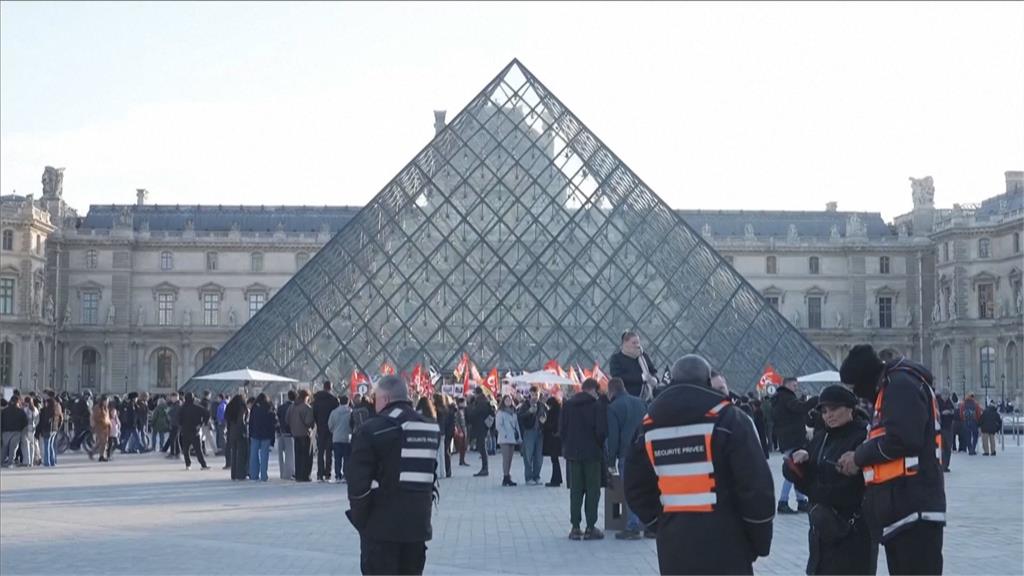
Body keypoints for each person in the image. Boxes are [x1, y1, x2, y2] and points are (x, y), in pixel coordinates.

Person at [625, 355, 775, 575]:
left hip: (674, 544)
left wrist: (659, 523)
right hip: (728, 539)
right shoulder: (730, 419)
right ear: (707, 381)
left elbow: (634, 486)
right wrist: (759, 541)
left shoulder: (648, 426)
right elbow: (756, 488)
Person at [838, 345, 945, 576]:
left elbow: (902, 440)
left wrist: (858, 456)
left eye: (855, 387)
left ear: (865, 378)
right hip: (903, 512)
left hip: (914, 512)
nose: (857, 395)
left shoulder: (900, 386)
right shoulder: (893, 386)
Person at [346, 375, 439, 575]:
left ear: (385, 399)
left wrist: (362, 520)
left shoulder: (371, 430)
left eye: (376, 398)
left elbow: (357, 484)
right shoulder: (429, 427)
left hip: (381, 529)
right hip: (417, 527)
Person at [782, 385, 874, 575]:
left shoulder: (864, 438)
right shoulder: (822, 437)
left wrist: (812, 490)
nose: (828, 415)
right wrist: (795, 465)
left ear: (850, 408)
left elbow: (855, 489)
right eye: (824, 411)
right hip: (822, 533)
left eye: (834, 409)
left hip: (853, 532)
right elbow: (804, 476)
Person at [560, 378, 608, 541]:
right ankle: (590, 527)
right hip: (592, 454)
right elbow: (601, 431)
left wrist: (568, 446)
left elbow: (562, 430)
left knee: (576, 491)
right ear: (594, 390)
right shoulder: (597, 406)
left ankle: (575, 527)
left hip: (573, 454)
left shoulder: (567, 405)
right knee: (592, 491)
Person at [605, 377, 646, 539]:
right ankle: (649, 525)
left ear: (611, 390)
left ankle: (633, 526)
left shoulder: (613, 407)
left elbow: (613, 437)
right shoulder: (641, 403)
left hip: (626, 455)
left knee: (630, 492)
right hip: (645, 452)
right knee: (646, 489)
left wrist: (611, 461)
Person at [773, 376, 818, 514]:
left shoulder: (779, 398)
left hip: (788, 438)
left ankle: (801, 501)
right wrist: (814, 400)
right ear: (786, 385)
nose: (796, 388)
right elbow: (800, 408)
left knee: (796, 468)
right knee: (792, 469)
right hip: (792, 438)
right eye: (794, 385)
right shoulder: (786, 397)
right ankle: (783, 501)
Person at [609, 331, 659, 398]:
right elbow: (617, 377)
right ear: (625, 343)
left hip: (649, 395)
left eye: (638, 342)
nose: (637, 345)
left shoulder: (643, 356)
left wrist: (654, 379)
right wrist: (641, 378)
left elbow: (652, 370)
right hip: (628, 395)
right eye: (634, 343)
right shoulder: (616, 358)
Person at [516, 386, 547, 485]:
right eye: (533, 395)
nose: (534, 397)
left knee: (539, 457)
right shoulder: (525, 405)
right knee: (528, 456)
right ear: (530, 394)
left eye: (536, 395)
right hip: (529, 432)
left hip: (540, 433)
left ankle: (536, 476)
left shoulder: (542, 405)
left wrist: (544, 420)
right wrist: (529, 412)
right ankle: (529, 477)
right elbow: (519, 417)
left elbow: (547, 415)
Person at [312, 380, 340, 482]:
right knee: (329, 451)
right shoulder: (333, 400)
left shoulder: (317, 400)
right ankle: (327, 473)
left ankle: (319, 473)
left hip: (320, 427)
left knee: (320, 452)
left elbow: (314, 414)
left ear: (323, 387)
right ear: (330, 387)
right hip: (330, 428)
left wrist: (317, 423)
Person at [178, 392, 211, 471]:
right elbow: (207, 413)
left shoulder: (182, 408)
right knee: (198, 449)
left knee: (186, 449)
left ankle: (188, 465)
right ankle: (203, 465)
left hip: (185, 431)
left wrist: (181, 425)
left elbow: (178, 419)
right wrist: (203, 423)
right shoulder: (197, 407)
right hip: (195, 430)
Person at [466, 388, 495, 477]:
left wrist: (470, 404)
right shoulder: (485, 401)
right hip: (484, 427)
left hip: (480, 427)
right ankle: (484, 468)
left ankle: (484, 468)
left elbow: (473, 414)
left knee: (482, 447)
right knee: (482, 447)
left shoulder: (479, 402)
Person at [248, 393, 276, 481]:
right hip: (266, 435)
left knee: (253, 455)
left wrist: (250, 433)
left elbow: (251, 422)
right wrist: (272, 438)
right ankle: (264, 475)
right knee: (264, 456)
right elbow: (273, 424)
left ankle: (253, 474)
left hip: (255, 434)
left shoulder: (254, 408)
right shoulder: (270, 408)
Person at [288, 389, 315, 482]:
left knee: (298, 456)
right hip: (305, 434)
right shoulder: (307, 407)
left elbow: (286, 419)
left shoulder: (292, 406)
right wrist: (311, 425)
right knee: (307, 456)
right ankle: (305, 475)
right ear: (306, 397)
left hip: (295, 434)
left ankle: (298, 475)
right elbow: (308, 421)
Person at [496, 394, 522, 487]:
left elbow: (516, 425)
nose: (508, 402)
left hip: (513, 438)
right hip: (505, 438)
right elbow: (498, 426)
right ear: (503, 401)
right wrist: (505, 434)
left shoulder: (513, 412)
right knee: (506, 458)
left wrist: (519, 436)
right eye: (506, 400)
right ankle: (505, 477)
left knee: (510, 459)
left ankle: (508, 475)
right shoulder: (500, 412)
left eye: (510, 400)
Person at [225, 394, 250, 480]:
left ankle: (234, 474)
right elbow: (242, 421)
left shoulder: (229, 408)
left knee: (234, 453)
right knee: (241, 454)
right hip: (240, 433)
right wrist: (244, 431)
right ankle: (240, 474)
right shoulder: (242, 408)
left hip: (232, 432)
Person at [328, 395, 353, 483]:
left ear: (339, 402)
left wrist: (334, 431)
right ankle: (345, 475)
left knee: (337, 458)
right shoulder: (350, 412)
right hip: (347, 438)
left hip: (336, 438)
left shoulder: (334, 412)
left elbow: (330, 426)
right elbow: (352, 425)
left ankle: (338, 475)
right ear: (348, 401)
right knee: (346, 458)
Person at [1, 397, 28, 466]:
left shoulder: (4, 411)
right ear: (17, 402)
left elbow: (1, 422)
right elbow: (25, 422)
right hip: (17, 432)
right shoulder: (21, 411)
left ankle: (1, 461)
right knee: (13, 448)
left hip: (5, 432)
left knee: (4, 447)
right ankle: (10, 462)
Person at [543, 395, 563, 487]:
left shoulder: (552, 412)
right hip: (557, 439)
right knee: (555, 460)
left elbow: (550, 425)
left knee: (554, 460)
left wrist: (544, 423)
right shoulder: (560, 411)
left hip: (553, 439)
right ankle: (556, 479)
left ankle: (555, 479)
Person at [37, 396, 63, 467]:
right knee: (51, 446)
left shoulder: (46, 411)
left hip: (47, 430)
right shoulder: (56, 410)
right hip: (54, 430)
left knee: (46, 447)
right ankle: (53, 461)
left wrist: (42, 429)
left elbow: (44, 421)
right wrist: (57, 427)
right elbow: (61, 419)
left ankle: (47, 462)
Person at [277, 390, 296, 480]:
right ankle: (289, 473)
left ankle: (282, 473)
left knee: (281, 455)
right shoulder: (294, 407)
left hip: (281, 432)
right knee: (290, 454)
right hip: (290, 433)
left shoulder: (281, 407)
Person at [936, 390, 955, 472]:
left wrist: (950, 412)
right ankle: (941, 465)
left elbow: (954, 412)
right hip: (941, 427)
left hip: (949, 427)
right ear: (942, 395)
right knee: (941, 447)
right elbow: (935, 413)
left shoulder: (950, 402)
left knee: (948, 447)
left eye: (947, 395)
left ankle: (946, 465)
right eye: (945, 395)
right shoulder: (938, 402)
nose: (946, 397)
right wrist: (942, 413)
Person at [90, 396, 112, 462]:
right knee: (102, 442)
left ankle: (97, 454)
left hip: (106, 427)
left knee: (103, 442)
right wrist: (103, 420)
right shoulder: (97, 407)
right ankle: (101, 455)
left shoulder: (106, 408)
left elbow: (107, 417)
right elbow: (96, 417)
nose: (107, 402)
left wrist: (109, 424)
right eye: (106, 401)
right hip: (99, 426)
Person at [20, 397, 39, 467]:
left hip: (26, 428)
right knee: (32, 445)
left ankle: (26, 461)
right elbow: (38, 419)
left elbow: (22, 419)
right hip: (33, 428)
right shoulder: (35, 409)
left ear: (26, 402)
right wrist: (34, 425)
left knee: (25, 445)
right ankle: (31, 462)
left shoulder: (25, 409)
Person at [453, 396, 469, 467]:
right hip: (461, 430)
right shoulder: (458, 411)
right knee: (462, 446)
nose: (465, 404)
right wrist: (459, 430)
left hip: (465, 429)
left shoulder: (464, 410)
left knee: (464, 446)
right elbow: (457, 422)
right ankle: (461, 460)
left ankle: (462, 460)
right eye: (463, 402)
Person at [165, 393, 181, 459]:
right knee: (176, 439)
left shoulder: (177, 405)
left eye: (172, 397)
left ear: (176, 397)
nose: (171, 399)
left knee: (172, 438)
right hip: (175, 423)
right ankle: (177, 452)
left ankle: (172, 453)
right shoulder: (175, 404)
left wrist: (168, 412)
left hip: (176, 424)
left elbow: (173, 413)